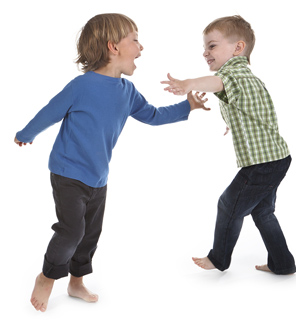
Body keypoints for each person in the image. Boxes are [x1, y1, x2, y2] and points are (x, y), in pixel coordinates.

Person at [15, 13, 208, 312]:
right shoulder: (82, 86)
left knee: (90, 233)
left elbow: (153, 116)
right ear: (113, 48)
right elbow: (50, 112)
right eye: (135, 40)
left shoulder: (127, 92)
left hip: (98, 176)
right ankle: (47, 275)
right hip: (67, 172)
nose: (141, 48)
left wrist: (188, 106)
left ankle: (76, 281)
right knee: (72, 231)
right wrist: (26, 134)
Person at [161, 15, 296, 275]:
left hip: (263, 164)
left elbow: (218, 82)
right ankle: (283, 263)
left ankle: (219, 258)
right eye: (204, 47)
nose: (205, 52)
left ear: (238, 48)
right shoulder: (249, 78)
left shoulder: (233, 72)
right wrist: (233, 123)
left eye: (211, 46)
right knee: (263, 212)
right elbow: (255, 111)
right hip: (276, 158)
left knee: (228, 204)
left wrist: (189, 83)